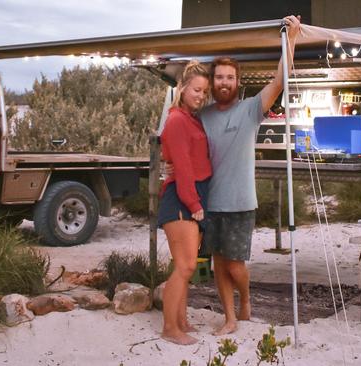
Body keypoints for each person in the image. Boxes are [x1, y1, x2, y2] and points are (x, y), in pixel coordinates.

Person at [200, 15, 301, 335]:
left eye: (229, 77)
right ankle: (229, 317)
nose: (224, 82)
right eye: (219, 78)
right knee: (218, 263)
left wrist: (292, 38)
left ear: (237, 81)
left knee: (235, 265)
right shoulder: (201, 116)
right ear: (213, 82)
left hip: (242, 201)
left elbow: (279, 80)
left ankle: (245, 297)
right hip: (210, 202)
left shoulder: (251, 109)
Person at [157, 60, 211, 345]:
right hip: (181, 196)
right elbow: (182, 165)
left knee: (184, 265)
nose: (201, 96)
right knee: (186, 266)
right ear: (183, 87)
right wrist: (193, 203)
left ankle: (181, 320)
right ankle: (169, 328)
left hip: (193, 193)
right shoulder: (177, 119)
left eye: (204, 91)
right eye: (197, 90)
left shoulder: (191, 117)